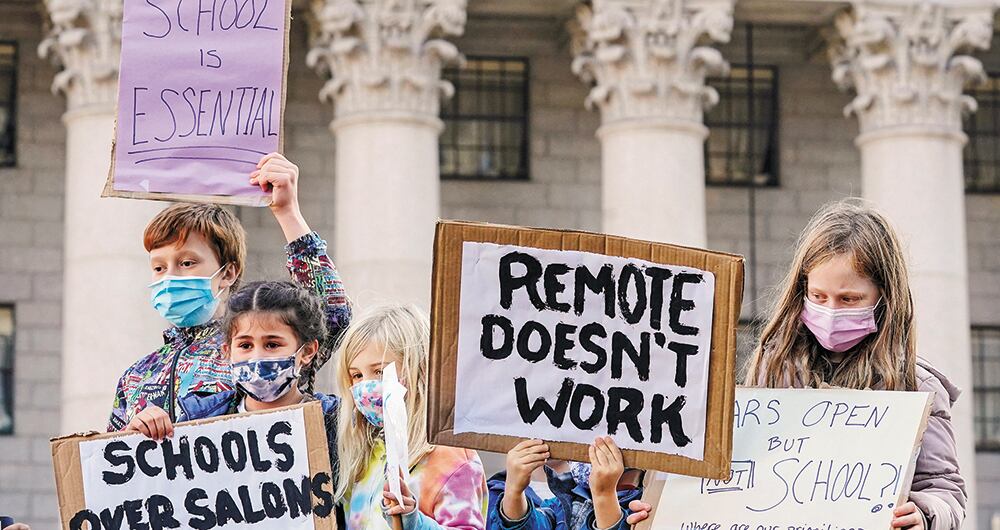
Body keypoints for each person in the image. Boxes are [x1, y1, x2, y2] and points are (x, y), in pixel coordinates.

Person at [743, 199, 965, 530]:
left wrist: (925, 513)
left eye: (849, 299)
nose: (830, 311)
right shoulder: (774, 369)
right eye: (818, 296)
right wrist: (663, 503)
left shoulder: (916, 384)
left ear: (884, 297)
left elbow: (946, 490)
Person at [107, 153, 350, 432]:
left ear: (228, 272)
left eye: (187, 263)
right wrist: (131, 435)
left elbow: (332, 315)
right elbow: (109, 466)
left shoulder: (257, 352)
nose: (171, 276)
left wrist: (287, 212)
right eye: (159, 268)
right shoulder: (136, 376)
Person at [131, 280, 346, 527]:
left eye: (272, 344)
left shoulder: (337, 424)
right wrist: (138, 439)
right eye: (245, 345)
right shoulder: (197, 422)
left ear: (307, 352)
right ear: (227, 351)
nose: (257, 357)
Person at [335, 304, 486, 530]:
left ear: (420, 369)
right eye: (357, 375)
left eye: (379, 371)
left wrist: (414, 523)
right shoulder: (362, 453)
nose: (365, 386)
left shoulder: (451, 458)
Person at [486, 438, 652, 530]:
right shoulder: (563, 502)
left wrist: (604, 497)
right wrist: (514, 492)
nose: (595, 443)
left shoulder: (648, 508)